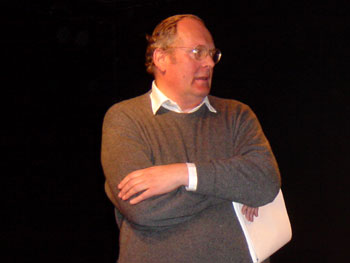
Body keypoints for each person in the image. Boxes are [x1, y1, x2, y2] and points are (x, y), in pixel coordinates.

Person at [101, 14, 281, 263]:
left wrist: (182, 174)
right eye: (197, 52)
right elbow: (143, 209)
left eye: (212, 54)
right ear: (161, 58)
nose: (209, 63)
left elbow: (265, 182)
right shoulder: (125, 118)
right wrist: (233, 189)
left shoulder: (237, 115)